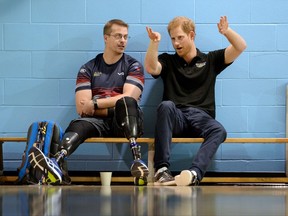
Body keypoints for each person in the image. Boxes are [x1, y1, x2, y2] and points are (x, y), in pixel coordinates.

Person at [28, 19, 149, 184]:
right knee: (79, 123)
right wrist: (101, 107)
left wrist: (96, 104)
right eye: (118, 36)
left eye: (126, 37)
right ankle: (55, 162)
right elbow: (82, 107)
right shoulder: (88, 68)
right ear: (106, 38)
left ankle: (137, 161)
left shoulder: (133, 66)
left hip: (124, 121)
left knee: (127, 104)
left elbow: (129, 97)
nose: (123, 41)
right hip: (96, 122)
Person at [145, 16, 246, 186]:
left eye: (180, 37)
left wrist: (226, 32)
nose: (176, 43)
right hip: (175, 116)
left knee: (219, 130)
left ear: (191, 35)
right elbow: (151, 68)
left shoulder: (210, 60)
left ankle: (194, 173)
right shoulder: (168, 61)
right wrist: (154, 43)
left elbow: (240, 46)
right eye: (173, 39)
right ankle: (162, 170)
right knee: (165, 105)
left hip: (201, 118)